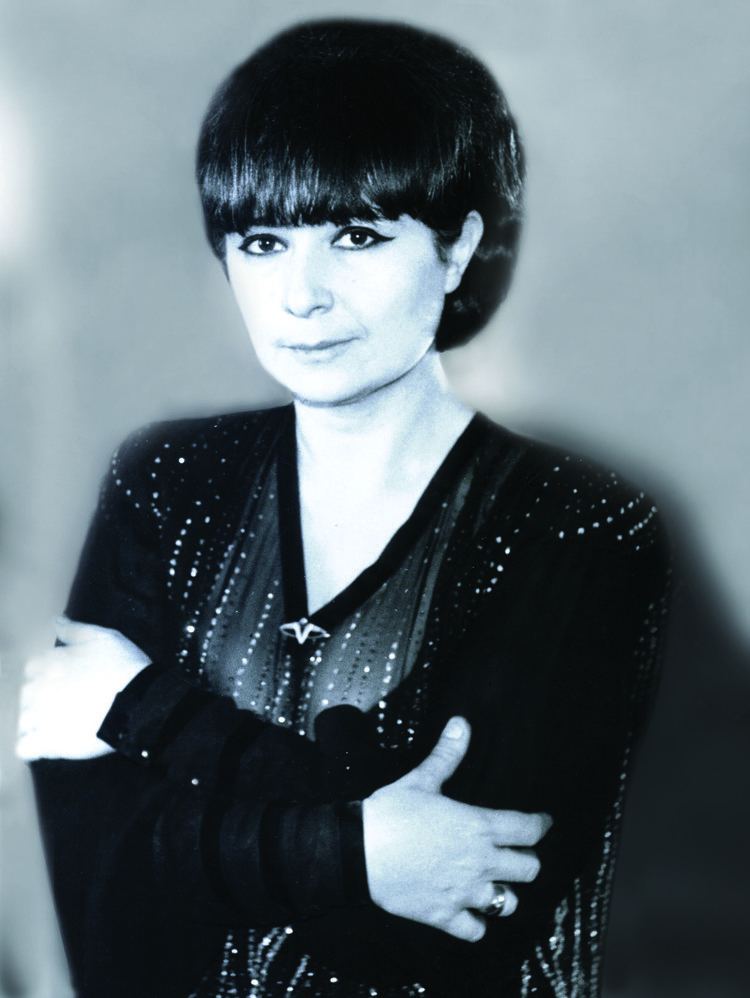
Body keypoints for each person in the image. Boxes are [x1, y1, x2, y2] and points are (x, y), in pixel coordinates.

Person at [17, 18, 672, 998]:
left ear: (458, 248)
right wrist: (364, 849)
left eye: (357, 236)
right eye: (264, 242)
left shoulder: (581, 522)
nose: (302, 296)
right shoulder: (165, 480)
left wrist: (144, 707)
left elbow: (458, 917)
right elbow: (97, 889)